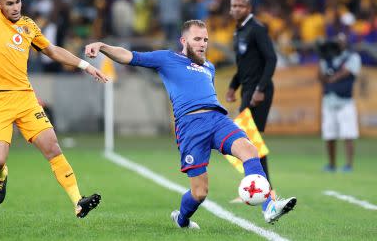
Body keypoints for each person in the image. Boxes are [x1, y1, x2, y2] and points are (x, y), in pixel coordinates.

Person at [85, 20, 296, 227]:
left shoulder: (209, 67)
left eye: (205, 39)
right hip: (190, 126)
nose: (203, 43)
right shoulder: (167, 58)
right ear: (183, 40)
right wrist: (102, 46)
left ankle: (269, 208)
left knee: (250, 150)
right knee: (199, 193)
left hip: (218, 119)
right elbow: (129, 56)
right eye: (197, 39)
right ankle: (182, 219)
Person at [0, 0, 107, 218]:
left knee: (53, 147)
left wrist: (85, 66)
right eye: (9, 3)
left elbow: (52, 51)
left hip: (25, 98)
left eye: (18, 1)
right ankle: (1, 177)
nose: (15, 7)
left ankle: (77, 201)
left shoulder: (29, 26)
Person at [226, 0, 276, 189]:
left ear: (249, 8)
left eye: (241, 6)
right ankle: (261, 186)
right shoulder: (239, 31)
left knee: (249, 139)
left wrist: (260, 89)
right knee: (249, 139)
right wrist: (233, 86)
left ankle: (263, 187)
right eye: (234, 6)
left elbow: (271, 59)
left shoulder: (257, 29)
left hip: (258, 91)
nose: (237, 9)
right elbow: (243, 65)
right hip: (247, 89)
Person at [318, 33, 361, 172]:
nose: (339, 44)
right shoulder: (327, 58)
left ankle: (348, 164)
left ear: (346, 43)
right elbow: (321, 77)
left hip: (345, 100)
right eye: (337, 41)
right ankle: (332, 164)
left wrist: (332, 78)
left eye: (341, 41)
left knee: (348, 133)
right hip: (329, 100)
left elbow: (346, 72)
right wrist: (321, 57)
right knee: (329, 133)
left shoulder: (352, 57)